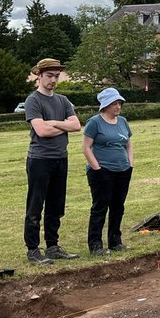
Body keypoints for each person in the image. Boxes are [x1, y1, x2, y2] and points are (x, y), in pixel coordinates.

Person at [24, 58, 82, 264]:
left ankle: (53, 246)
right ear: (39, 75)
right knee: (35, 206)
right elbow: (41, 130)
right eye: (49, 76)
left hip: (60, 158)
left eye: (56, 76)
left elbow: (76, 126)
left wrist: (55, 122)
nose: (53, 80)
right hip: (40, 160)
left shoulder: (63, 101)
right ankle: (32, 250)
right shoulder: (33, 100)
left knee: (56, 206)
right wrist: (63, 125)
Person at [82, 87, 134, 258]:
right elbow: (86, 147)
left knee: (118, 206)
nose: (118, 106)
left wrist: (130, 164)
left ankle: (115, 241)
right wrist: (97, 168)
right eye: (114, 103)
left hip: (123, 170)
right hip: (102, 171)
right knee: (100, 207)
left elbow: (128, 144)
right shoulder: (94, 122)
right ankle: (95, 244)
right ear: (105, 105)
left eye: (119, 103)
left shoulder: (123, 121)